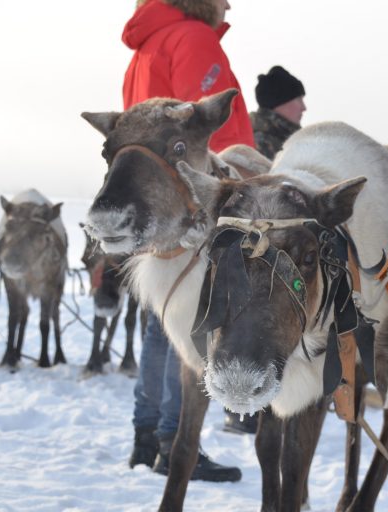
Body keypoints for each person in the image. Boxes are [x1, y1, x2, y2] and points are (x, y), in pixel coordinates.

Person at [123, 0, 253, 482]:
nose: (230, 3)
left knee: (162, 318)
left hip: (155, 197)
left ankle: (148, 435)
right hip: (195, 196)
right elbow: (214, 124)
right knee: (192, 317)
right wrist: (241, 181)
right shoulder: (193, 39)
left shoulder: (145, 48)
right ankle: (177, 441)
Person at [222, 65, 306, 435]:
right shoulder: (274, 150)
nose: (303, 107)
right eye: (297, 100)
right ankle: (248, 410)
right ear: (281, 104)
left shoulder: (265, 136)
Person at [250, 65, 306, 160]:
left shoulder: (289, 141)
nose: (304, 108)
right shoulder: (259, 145)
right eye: (299, 99)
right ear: (280, 102)